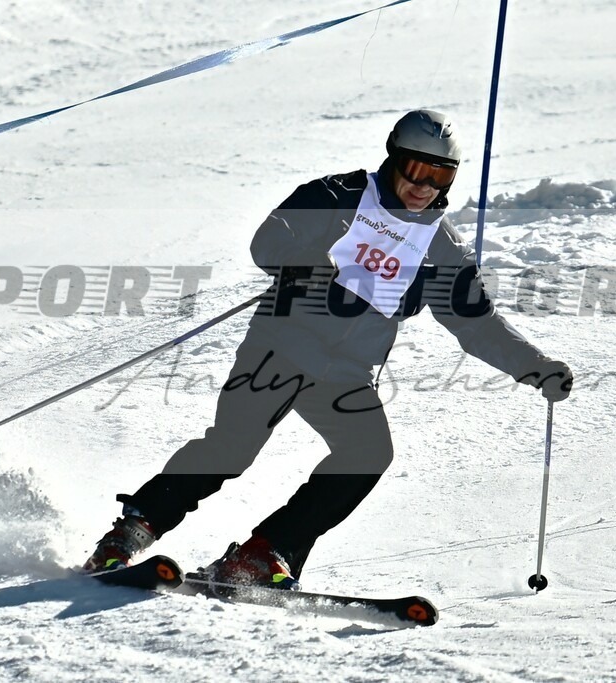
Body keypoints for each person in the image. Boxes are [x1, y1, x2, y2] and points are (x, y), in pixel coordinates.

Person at [82, 110, 573, 587]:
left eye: (439, 174)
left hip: (347, 373)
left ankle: (264, 553)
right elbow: (268, 242)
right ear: (394, 158)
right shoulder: (337, 195)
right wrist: (307, 260)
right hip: (280, 350)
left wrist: (535, 366)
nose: (424, 185)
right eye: (416, 168)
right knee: (232, 447)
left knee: (367, 453)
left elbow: (475, 322)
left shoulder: (441, 246)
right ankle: (133, 529)